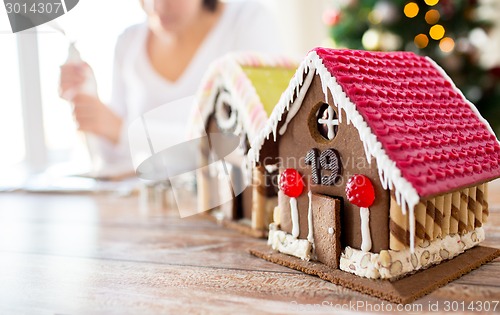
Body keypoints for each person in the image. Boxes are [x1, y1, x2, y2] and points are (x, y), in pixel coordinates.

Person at [59, 0, 282, 176]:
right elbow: (114, 161)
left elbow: (243, 146)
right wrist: (88, 101)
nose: (157, 6)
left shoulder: (247, 21)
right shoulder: (128, 42)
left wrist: (125, 131)